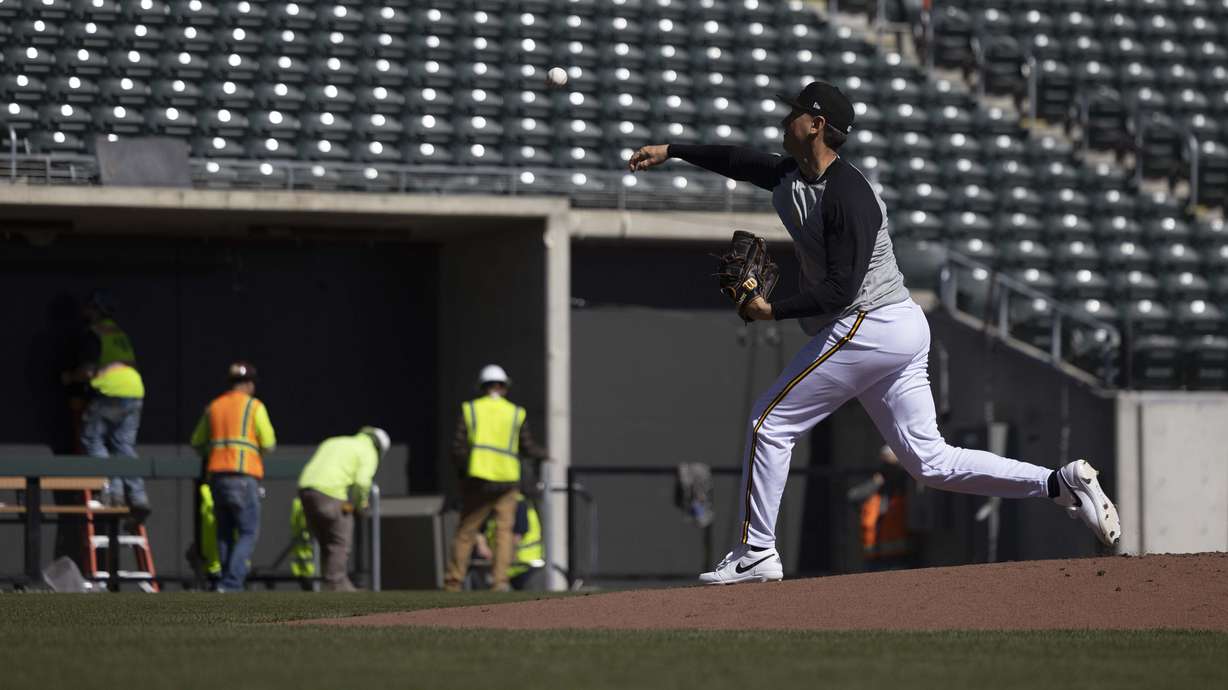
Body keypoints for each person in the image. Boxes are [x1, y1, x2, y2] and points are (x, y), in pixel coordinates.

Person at [628, 81, 1121, 585]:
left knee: (768, 424)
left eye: (795, 113)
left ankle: (757, 551)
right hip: (895, 328)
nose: (785, 120)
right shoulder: (791, 174)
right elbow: (738, 160)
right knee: (931, 462)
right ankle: (1059, 484)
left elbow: (841, 291)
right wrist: (672, 151)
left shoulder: (849, 196)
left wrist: (769, 311)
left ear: (817, 125)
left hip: (871, 323)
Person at [444, 364, 548, 592]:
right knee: (504, 532)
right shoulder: (515, 412)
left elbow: (457, 448)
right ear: (504, 387)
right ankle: (500, 581)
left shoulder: (471, 409)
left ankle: (454, 582)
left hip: (478, 480)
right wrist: (546, 455)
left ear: (482, 387)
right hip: (508, 481)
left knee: (466, 531)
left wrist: (464, 473)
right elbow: (527, 446)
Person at [189, 361, 277, 592]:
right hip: (243, 475)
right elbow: (269, 442)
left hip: (217, 476)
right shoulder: (254, 406)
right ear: (249, 384)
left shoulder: (214, 406)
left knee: (225, 532)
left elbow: (197, 442)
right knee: (248, 531)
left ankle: (224, 583)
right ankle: (231, 583)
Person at [71, 290, 149, 519]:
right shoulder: (119, 334)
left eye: (88, 308)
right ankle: (138, 496)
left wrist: (70, 377)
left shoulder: (94, 334)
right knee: (123, 446)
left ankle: (110, 491)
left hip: (110, 391)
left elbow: (87, 371)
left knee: (92, 438)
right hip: (135, 391)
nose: (85, 312)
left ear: (96, 310)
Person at [297, 426, 390, 592]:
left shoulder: (334, 441)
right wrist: (360, 504)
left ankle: (338, 581)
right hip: (330, 492)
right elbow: (362, 482)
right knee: (340, 541)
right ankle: (335, 583)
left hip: (306, 491)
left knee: (326, 542)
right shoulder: (368, 451)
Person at [847, 445, 916, 571]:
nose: (888, 470)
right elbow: (853, 496)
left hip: (899, 558)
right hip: (873, 557)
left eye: (891, 466)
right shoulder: (875, 492)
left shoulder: (906, 489)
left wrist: (899, 468)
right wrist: (875, 483)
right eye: (885, 465)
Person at [473, 492, 545, 591]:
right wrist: (482, 546)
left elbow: (517, 536)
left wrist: (502, 558)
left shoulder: (518, 503)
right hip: (498, 566)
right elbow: (479, 530)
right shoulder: (490, 505)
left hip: (525, 566)